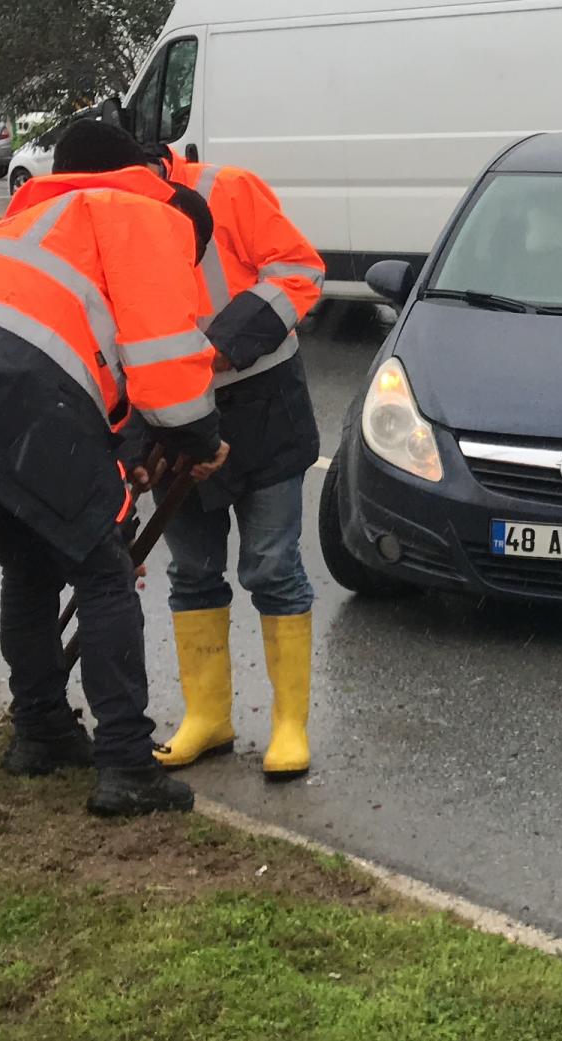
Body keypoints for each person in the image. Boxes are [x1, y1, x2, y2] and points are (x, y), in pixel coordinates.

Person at [0, 118, 228, 818]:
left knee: (30, 564)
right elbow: (165, 364)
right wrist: (201, 438)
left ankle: (40, 729)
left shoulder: (40, 216)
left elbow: (95, 365)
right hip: (26, 392)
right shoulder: (149, 217)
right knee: (105, 573)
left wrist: (130, 458)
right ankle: (126, 762)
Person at [146, 143, 327, 781]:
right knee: (192, 571)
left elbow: (300, 270)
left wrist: (225, 342)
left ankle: (289, 726)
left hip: (262, 404)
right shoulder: (108, 213)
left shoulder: (227, 188)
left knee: (272, 566)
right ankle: (208, 718)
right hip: (171, 413)